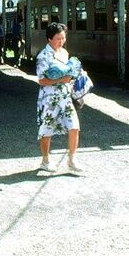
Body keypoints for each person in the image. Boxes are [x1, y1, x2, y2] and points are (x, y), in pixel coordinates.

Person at [35, 22, 82, 174]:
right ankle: (45, 160)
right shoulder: (43, 56)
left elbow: (69, 73)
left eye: (63, 38)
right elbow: (41, 80)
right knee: (47, 129)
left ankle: (72, 159)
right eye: (57, 38)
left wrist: (73, 78)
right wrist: (62, 79)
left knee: (74, 126)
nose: (61, 41)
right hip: (50, 98)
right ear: (49, 39)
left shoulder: (64, 52)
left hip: (65, 96)